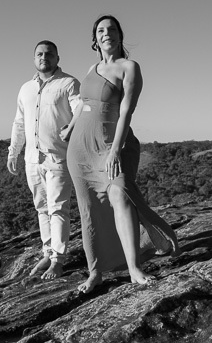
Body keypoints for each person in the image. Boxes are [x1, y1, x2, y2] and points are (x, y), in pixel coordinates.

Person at [61, 15, 178, 292]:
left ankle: (135, 269)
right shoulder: (92, 67)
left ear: (120, 35)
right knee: (89, 209)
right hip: (80, 148)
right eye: (101, 30)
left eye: (111, 29)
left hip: (114, 144)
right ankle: (95, 272)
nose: (106, 34)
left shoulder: (129, 67)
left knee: (119, 194)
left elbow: (127, 110)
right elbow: (83, 104)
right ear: (95, 39)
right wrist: (70, 126)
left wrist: (114, 150)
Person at [8, 40, 81, 280]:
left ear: (57, 58)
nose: (43, 57)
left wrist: (70, 127)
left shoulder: (68, 83)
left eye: (49, 54)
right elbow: (19, 122)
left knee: (58, 208)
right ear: (33, 59)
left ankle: (58, 261)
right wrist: (13, 152)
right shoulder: (25, 88)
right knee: (42, 208)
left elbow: (81, 108)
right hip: (32, 159)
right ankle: (48, 252)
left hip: (58, 157)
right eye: (39, 54)